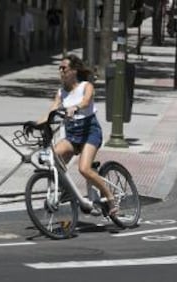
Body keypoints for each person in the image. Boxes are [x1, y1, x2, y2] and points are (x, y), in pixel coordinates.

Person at [39, 54, 117, 215]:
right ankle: (68, 190)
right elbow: (52, 111)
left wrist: (76, 107)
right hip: (72, 134)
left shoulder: (86, 86)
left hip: (90, 132)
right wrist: (34, 124)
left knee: (84, 169)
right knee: (53, 158)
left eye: (64, 68)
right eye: (59, 68)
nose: (61, 71)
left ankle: (110, 197)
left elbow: (87, 101)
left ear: (74, 71)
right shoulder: (61, 92)